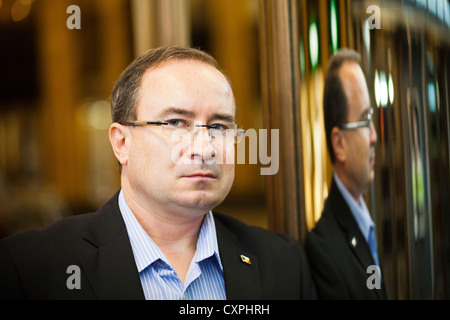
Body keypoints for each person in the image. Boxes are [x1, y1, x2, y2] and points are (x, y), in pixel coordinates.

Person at [0, 46, 316, 300]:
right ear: (122, 143)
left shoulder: (283, 262)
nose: (204, 147)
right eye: (176, 123)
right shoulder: (32, 268)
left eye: (219, 126)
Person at [305, 49, 386, 299]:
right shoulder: (324, 249)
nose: (374, 136)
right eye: (364, 121)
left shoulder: (365, 221)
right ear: (339, 144)